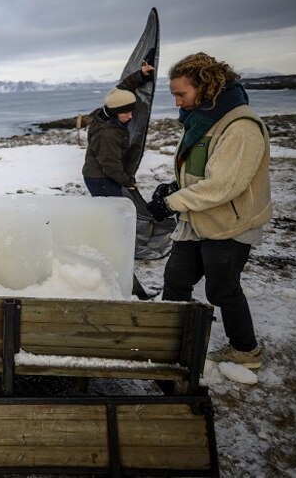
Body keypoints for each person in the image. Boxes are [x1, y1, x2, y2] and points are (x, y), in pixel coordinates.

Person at [147, 52, 272, 368]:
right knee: (175, 280)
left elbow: (223, 186)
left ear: (204, 87)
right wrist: (173, 188)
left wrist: (172, 203)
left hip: (228, 224)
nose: (176, 102)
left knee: (222, 290)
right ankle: (173, 342)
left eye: (181, 94)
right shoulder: (204, 121)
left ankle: (246, 351)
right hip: (197, 220)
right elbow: (200, 172)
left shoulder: (240, 126)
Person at [82, 62, 155, 197]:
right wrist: (128, 182)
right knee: (111, 212)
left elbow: (122, 89)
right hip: (101, 179)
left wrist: (141, 74)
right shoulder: (108, 134)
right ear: (115, 112)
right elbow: (110, 165)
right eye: (125, 113)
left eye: (131, 111)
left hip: (102, 175)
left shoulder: (109, 109)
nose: (130, 116)